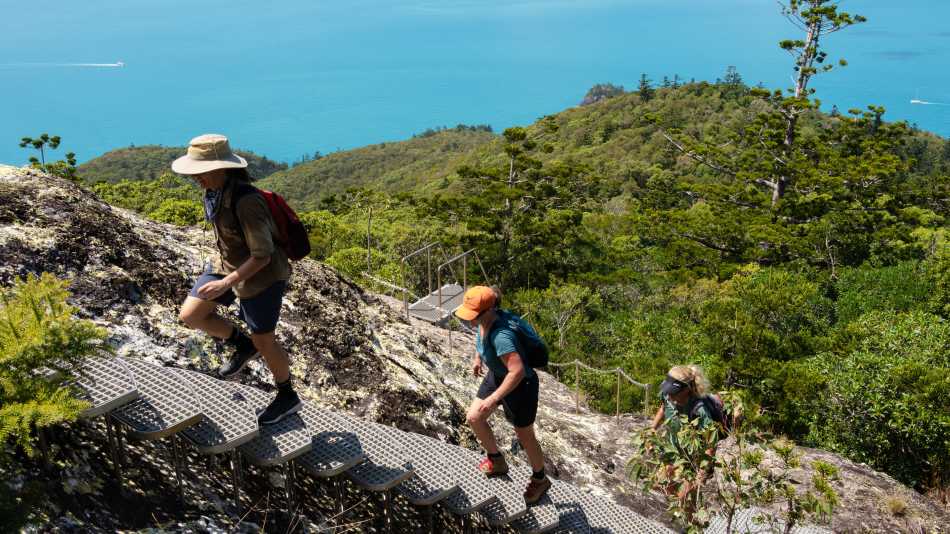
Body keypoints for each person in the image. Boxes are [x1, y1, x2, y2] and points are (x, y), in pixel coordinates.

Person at [174, 134, 300, 425]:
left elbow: (263, 255)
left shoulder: (246, 202)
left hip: (261, 277)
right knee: (191, 314)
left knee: (265, 339)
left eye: (200, 172)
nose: (196, 179)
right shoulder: (215, 193)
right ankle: (243, 345)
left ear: (222, 168)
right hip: (228, 266)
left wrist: (225, 283)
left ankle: (287, 395)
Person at [455, 286, 551, 504]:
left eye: (474, 315)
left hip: (521, 385)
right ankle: (497, 461)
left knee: (524, 434)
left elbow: (516, 372)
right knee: (474, 417)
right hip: (497, 375)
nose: (470, 319)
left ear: (489, 310)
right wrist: (478, 357)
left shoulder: (502, 336)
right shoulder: (485, 319)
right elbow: (481, 334)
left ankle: (540, 479)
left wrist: (493, 398)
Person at [650, 365, 718, 503]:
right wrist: (652, 429)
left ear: (687, 389)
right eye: (668, 391)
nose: (669, 395)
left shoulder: (699, 409)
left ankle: (693, 520)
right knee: (661, 485)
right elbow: (663, 408)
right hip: (673, 452)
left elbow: (711, 443)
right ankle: (682, 512)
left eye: (674, 392)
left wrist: (702, 472)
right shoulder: (668, 395)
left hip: (693, 460)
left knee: (684, 498)